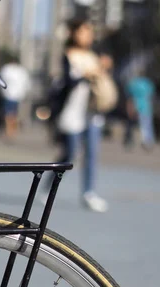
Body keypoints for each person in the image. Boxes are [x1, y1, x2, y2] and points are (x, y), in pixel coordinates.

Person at [45, 19, 117, 213]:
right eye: (84, 31)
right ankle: (49, 187)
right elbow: (67, 82)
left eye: (90, 32)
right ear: (74, 33)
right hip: (72, 112)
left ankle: (89, 193)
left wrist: (102, 68)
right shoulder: (68, 56)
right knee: (69, 153)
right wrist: (86, 74)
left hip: (92, 112)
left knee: (92, 153)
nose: (88, 35)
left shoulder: (93, 56)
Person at [124, 70, 156, 150]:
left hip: (135, 106)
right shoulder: (148, 83)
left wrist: (129, 108)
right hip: (146, 107)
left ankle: (130, 141)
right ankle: (147, 141)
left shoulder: (132, 84)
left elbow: (129, 98)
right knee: (147, 125)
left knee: (131, 126)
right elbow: (151, 96)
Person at [0, 60, 31, 141]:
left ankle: (10, 131)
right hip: (15, 95)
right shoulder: (20, 71)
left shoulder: (8, 69)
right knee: (12, 114)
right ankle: (11, 131)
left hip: (11, 95)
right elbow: (27, 84)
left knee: (10, 115)